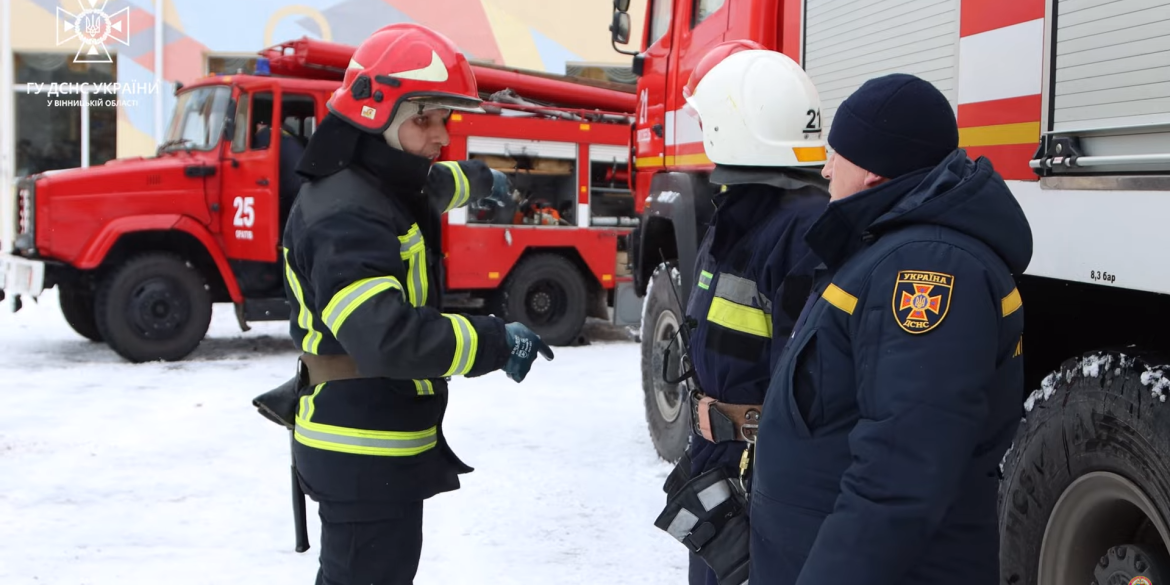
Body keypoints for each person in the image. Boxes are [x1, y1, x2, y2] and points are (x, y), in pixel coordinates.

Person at [255, 23, 554, 585]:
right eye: (425, 119)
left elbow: (430, 185)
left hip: (373, 442)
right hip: (360, 451)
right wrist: (492, 338)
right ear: (375, 114)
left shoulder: (376, 182)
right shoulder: (346, 213)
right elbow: (386, 337)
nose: (441, 134)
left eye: (445, 119)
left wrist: (481, 179)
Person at [747, 73, 1033, 585]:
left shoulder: (929, 265)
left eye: (837, 151)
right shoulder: (884, 247)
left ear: (875, 170)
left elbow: (900, 473)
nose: (826, 166)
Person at [651, 45, 830, 585]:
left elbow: (808, 390)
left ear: (733, 127)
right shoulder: (742, 214)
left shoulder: (801, 231)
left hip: (763, 478)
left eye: (707, 119)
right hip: (722, 465)